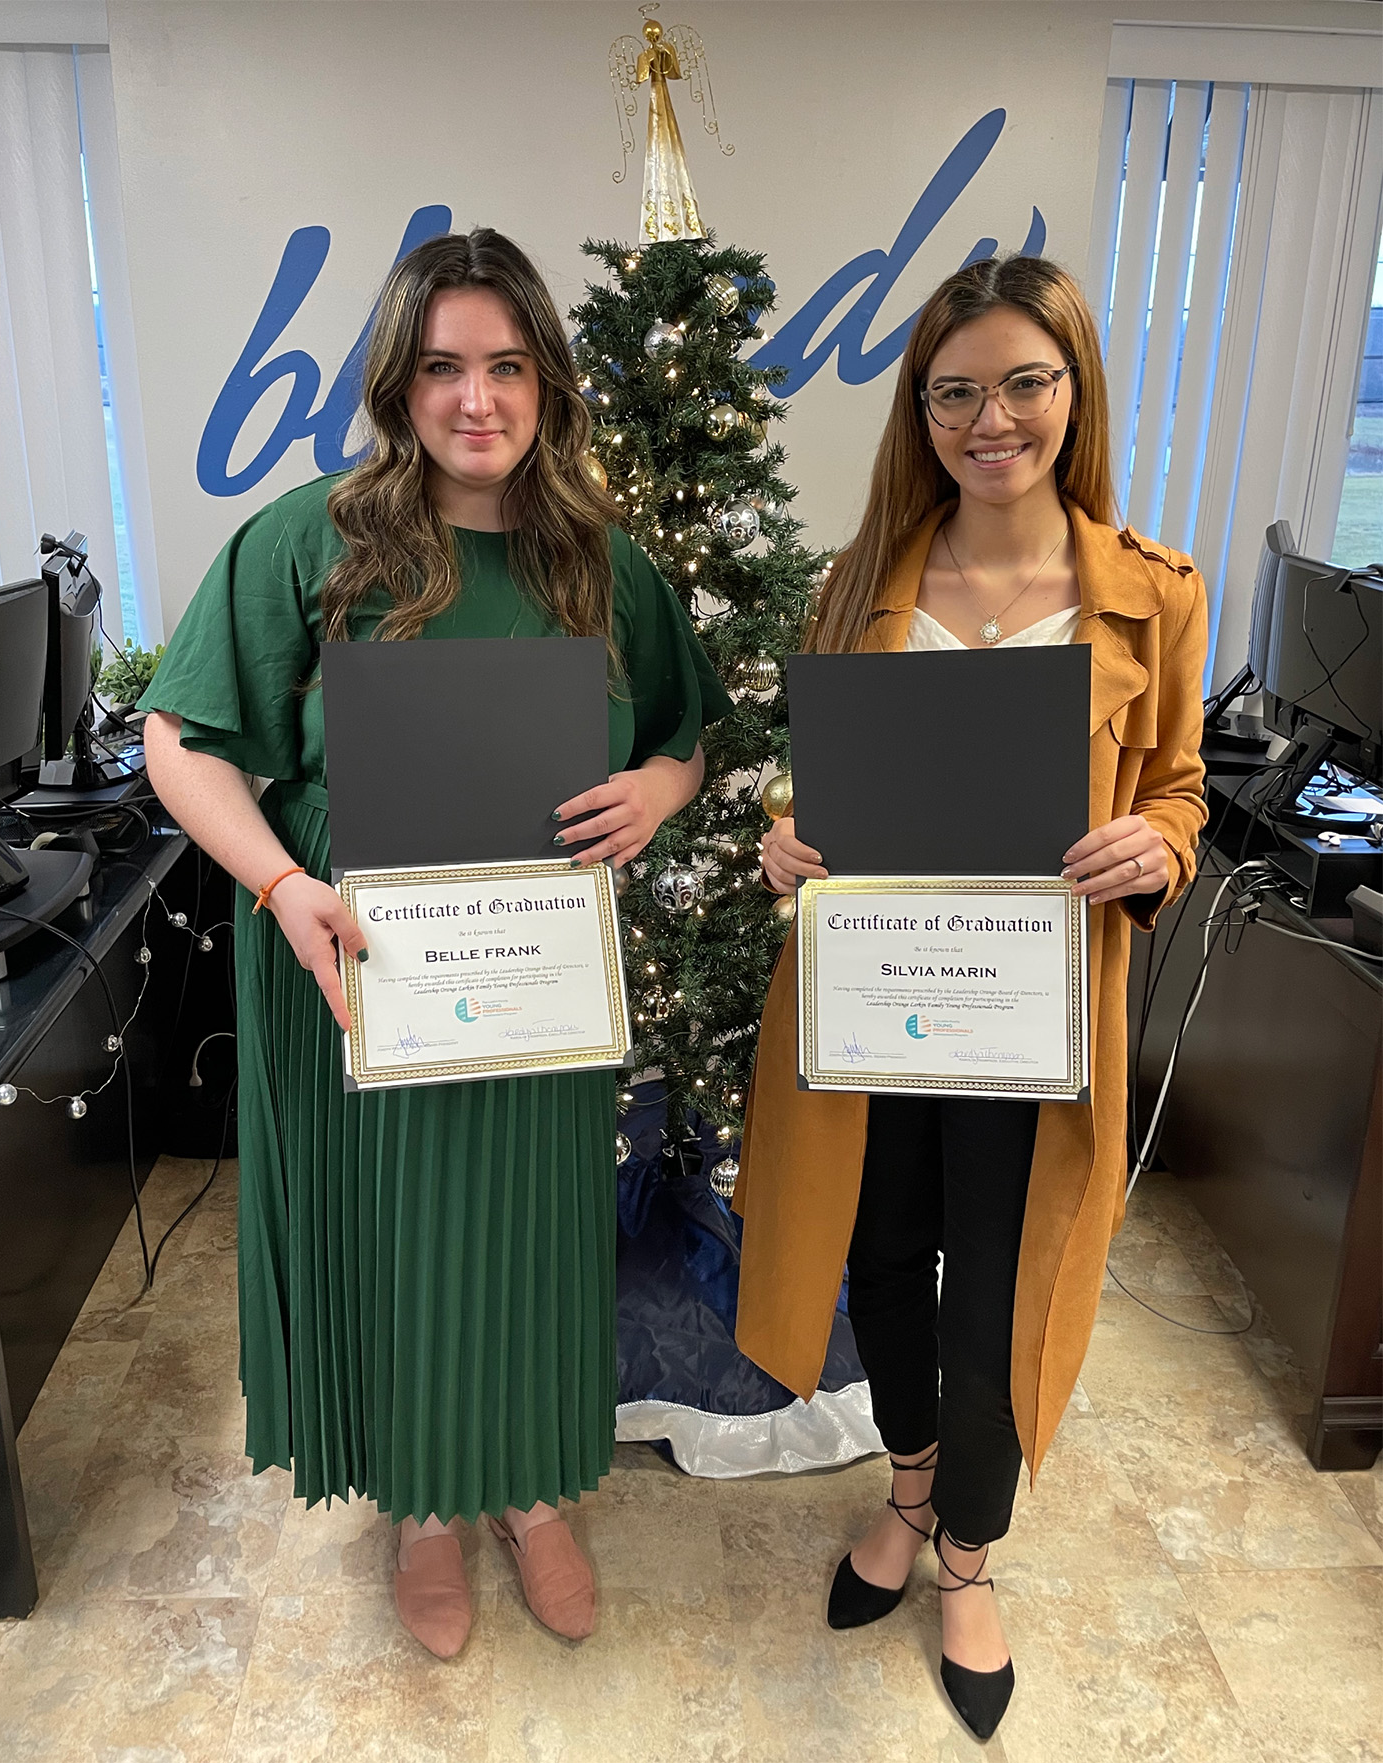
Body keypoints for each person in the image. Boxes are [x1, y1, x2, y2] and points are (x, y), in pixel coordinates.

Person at [141, 228, 730, 1660]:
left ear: (549, 382)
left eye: (508, 365)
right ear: (398, 383)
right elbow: (181, 741)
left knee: (527, 1235)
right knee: (395, 1233)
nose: (479, 398)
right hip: (355, 962)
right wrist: (282, 884)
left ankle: (526, 1490)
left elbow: (682, 735)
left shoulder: (597, 560)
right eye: (445, 366)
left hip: (534, 970)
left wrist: (658, 791)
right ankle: (420, 1505)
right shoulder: (309, 541)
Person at [731, 255, 1206, 1741]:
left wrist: (1160, 843)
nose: (989, 420)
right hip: (875, 1003)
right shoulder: (861, 582)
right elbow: (820, 784)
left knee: (999, 1289)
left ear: (1073, 391)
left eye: (1022, 383)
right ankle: (910, 1484)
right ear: (919, 410)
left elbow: (1181, 787)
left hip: (1033, 1020)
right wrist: (784, 837)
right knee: (880, 1260)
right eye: (954, 393)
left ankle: (969, 1555)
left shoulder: (1152, 596)